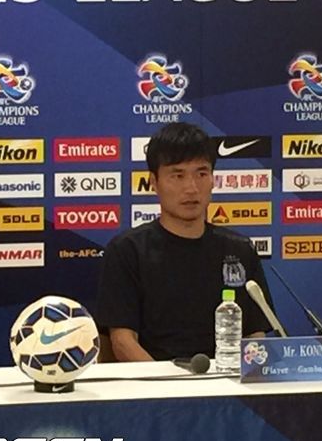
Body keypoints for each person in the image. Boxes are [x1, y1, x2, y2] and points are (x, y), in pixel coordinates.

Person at [96, 122, 272, 361]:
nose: (191, 188)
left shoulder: (239, 249)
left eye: (201, 174)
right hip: (154, 380)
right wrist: (168, 382)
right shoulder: (127, 251)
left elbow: (255, 334)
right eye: (177, 175)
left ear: (213, 180)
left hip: (227, 378)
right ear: (154, 182)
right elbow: (123, 341)